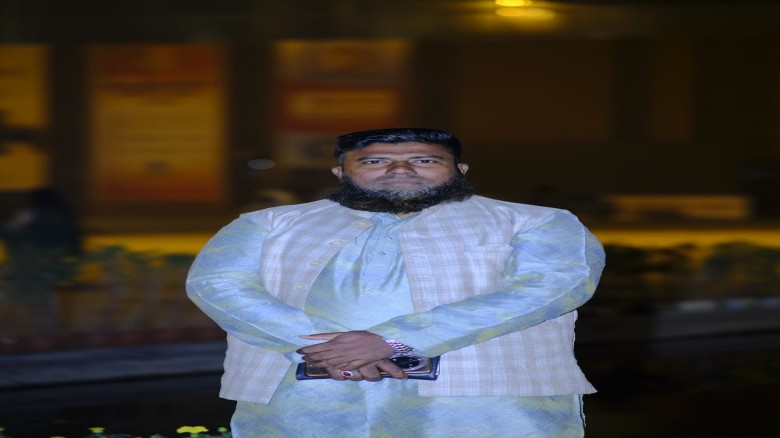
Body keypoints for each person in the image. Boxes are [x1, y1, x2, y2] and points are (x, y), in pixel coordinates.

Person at [186, 128, 605, 437]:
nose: (400, 169)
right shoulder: (269, 223)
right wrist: (324, 349)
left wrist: (394, 341)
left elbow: (552, 287)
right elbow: (216, 284)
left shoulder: (536, 221)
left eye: (425, 160)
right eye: (374, 161)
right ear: (340, 171)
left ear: (459, 170)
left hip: (485, 404)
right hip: (305, 397)